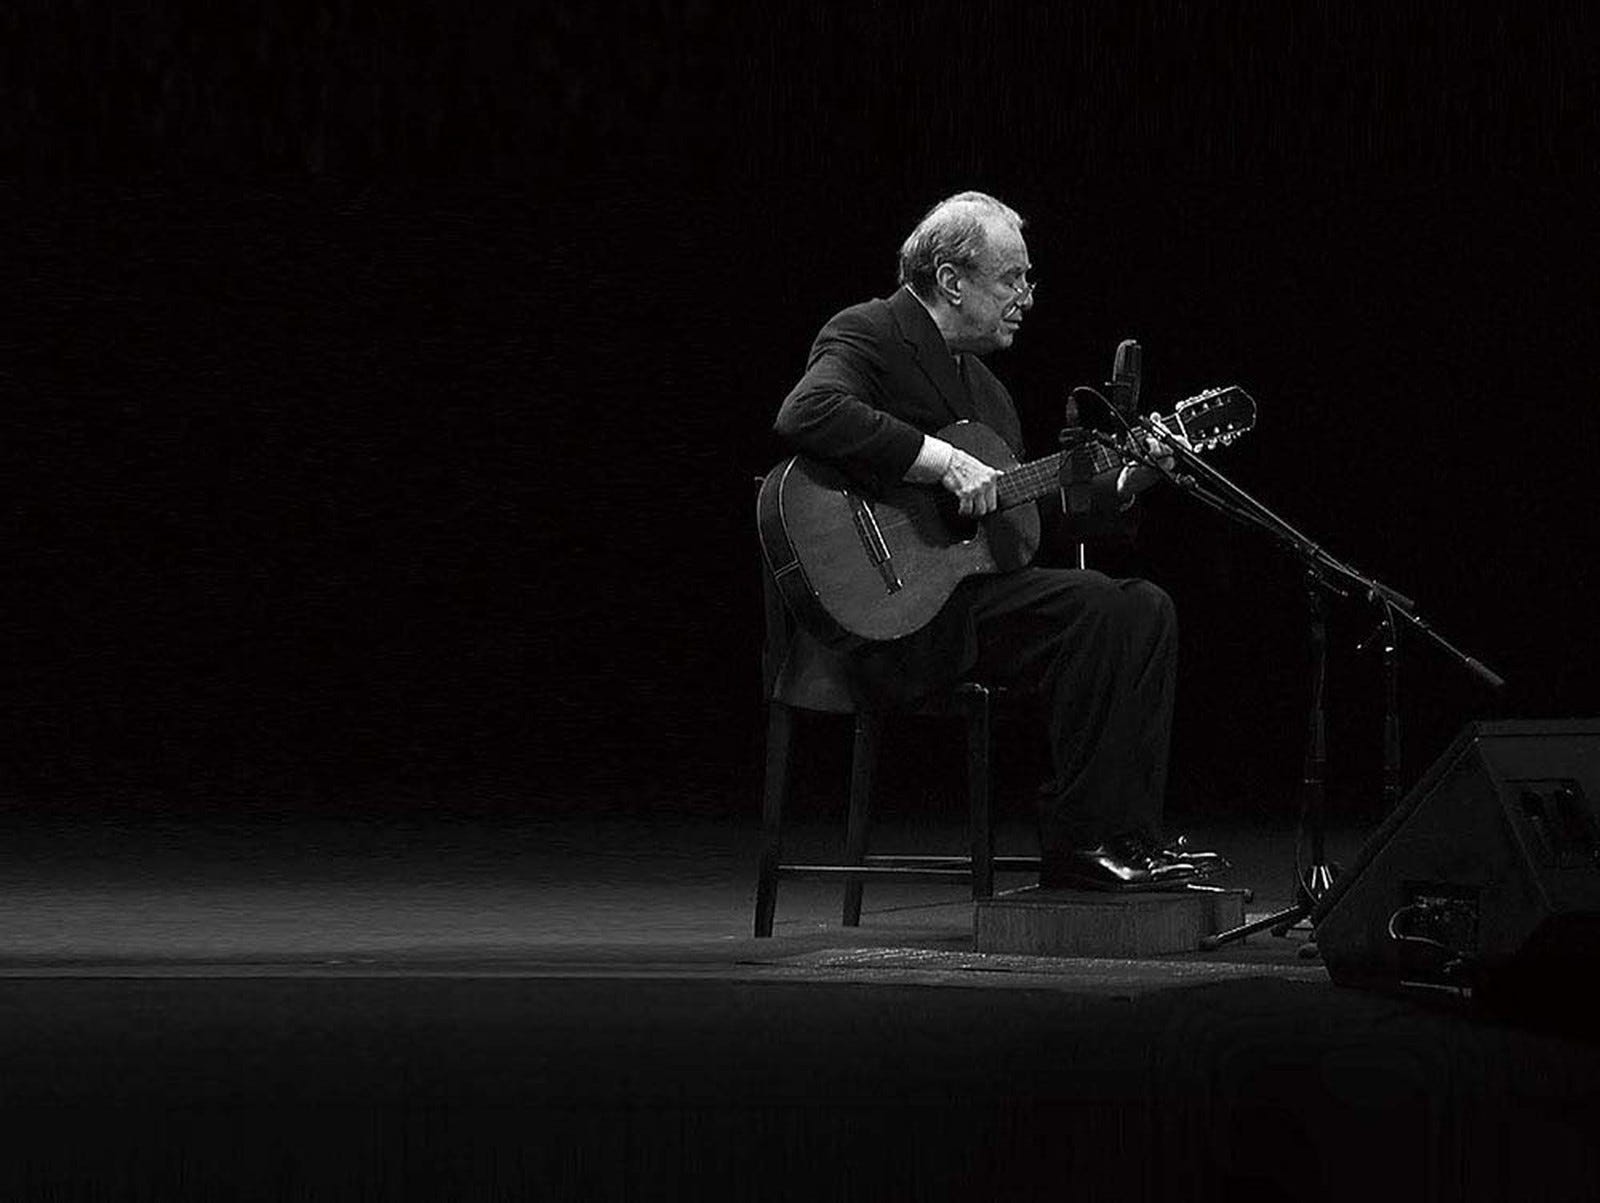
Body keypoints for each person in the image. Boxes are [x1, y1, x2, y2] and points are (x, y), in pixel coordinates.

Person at [771, 190, 1224, 890]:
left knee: (1144, 607)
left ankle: (1121, 837)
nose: (1027, 298)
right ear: (951, 280)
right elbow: (808, 411)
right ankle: (1082, 842)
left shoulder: (986, 390)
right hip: (888, 618)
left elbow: (1021, 520)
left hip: (965, 605)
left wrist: (1126, 480)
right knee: (1101, 609)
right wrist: (941, 461)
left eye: (1027, 280)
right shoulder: (869, 331)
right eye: (1013, 278)